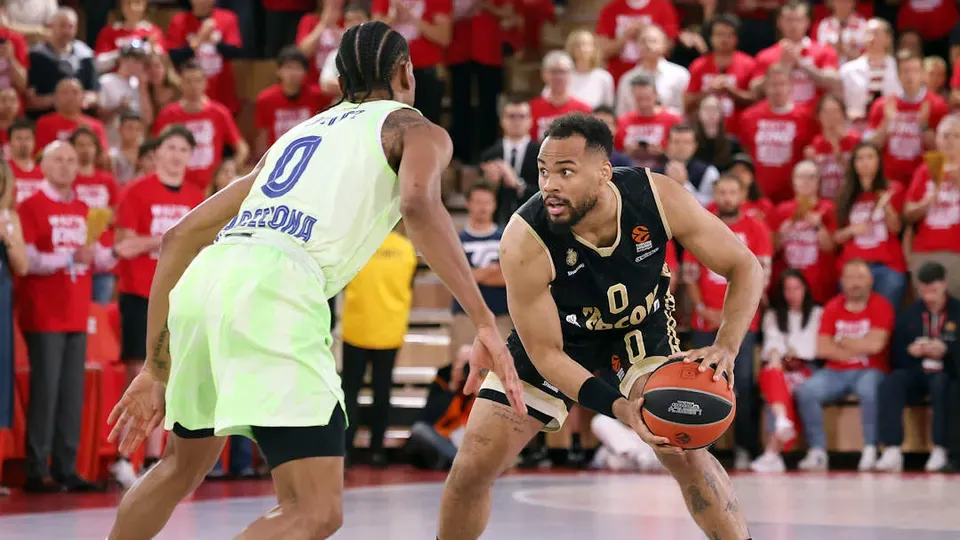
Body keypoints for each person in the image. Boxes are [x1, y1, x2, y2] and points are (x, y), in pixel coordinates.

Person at [105, 21, 525, 540]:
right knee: (315, 509)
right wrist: (483, 320)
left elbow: (177, 239)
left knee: (179, 466)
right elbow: (418, 203)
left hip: (208, 277)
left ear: (340, 82)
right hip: (276, 289)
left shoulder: (296, 136)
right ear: (405, 73)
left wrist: (155, 366)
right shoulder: (414, 128)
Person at [436, 114, 764, 540]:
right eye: (543, 171)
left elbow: (744, 266)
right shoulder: (524, 238)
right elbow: (546, 354)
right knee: (471, 467)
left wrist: (727, 346)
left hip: (639, 327)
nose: (549, 185)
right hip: (562, 337)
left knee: (685, 452)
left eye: (566, 172)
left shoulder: (656, 196)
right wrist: (621, 409)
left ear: (604, 172)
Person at [18, 141, 115, 492]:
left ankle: (66, 466)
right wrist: (71, 258)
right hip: (44, 312)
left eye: (72, 160)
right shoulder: (30, 206)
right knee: (46, 391)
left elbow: (98, 257)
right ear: (43, 165)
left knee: (72, 393)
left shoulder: (83, 208)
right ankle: (36, 468)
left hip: (77, 310)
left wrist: (115, 252)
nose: (65, 166)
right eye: (58, 159)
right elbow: (28, 259)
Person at [684, 174, 772, 470]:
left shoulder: (756, 228)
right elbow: (689, 275)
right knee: (698, 383)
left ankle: (745, 447)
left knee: (742, 385)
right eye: (722, 192)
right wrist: (702, 309)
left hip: (742, 324)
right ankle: (698, 447)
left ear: (742, 195)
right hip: (704, 321)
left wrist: (732, 316)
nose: (727, 197)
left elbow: (761, 276)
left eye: (733, 192)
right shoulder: (702, 223)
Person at [795, 258, 894, 471]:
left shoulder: (881, 305)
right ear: (842, 281)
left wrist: (841, 341)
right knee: (806, 390)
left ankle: (870, 449)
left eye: (860, 277)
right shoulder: (833, 306)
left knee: (870, 390)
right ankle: (817, 451)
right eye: (850, 277)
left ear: (871, 280)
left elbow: (876, 345)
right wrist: (859, 346)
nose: (855, 283)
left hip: (870, 370)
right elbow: (822, 348)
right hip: (835, 371)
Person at [341, 226, 418, 467]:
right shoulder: (406, 249)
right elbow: (410, 285)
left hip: (356, 328)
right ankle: (377, 451)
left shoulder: (357, 244)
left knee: (350, 392)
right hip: (389, 330)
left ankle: (345, 450)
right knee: (382, 392)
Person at [876, 261, 960, 472]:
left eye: (933, 288)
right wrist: (911, 350)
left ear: (943, 284)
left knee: (942, 384)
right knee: (891, 382)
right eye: (924, 289)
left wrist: (947, 350)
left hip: (947, 371)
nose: (928, 294)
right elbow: (896, 354)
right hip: (918, 370)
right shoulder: (910, 314)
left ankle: (940, 448)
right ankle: (892, 448)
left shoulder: (957, 311)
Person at [751, 270, 822, 473]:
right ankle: (780, 427)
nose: (792, 294)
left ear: (805, 289)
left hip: (807, 368)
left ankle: (774, 450)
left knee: (777, 387)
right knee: (772, 374)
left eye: (796, 288)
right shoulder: (773, 315)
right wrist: (776, 357)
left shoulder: (818, 313)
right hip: (781, 368)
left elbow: (812, 348)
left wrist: (792, 353)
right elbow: (772, 345)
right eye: (787, 289)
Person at [834, 142, 907, 308]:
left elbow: (896, 228)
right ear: (853, 164)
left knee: (885, 314)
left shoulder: (894, 189)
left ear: (879, 161)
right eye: (860, 158)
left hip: (887, 265)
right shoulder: (844, 195)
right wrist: (851, 230)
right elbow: (836, 238)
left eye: (870, 157)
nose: (865, 162)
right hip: (853, 266)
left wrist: (886, 205)